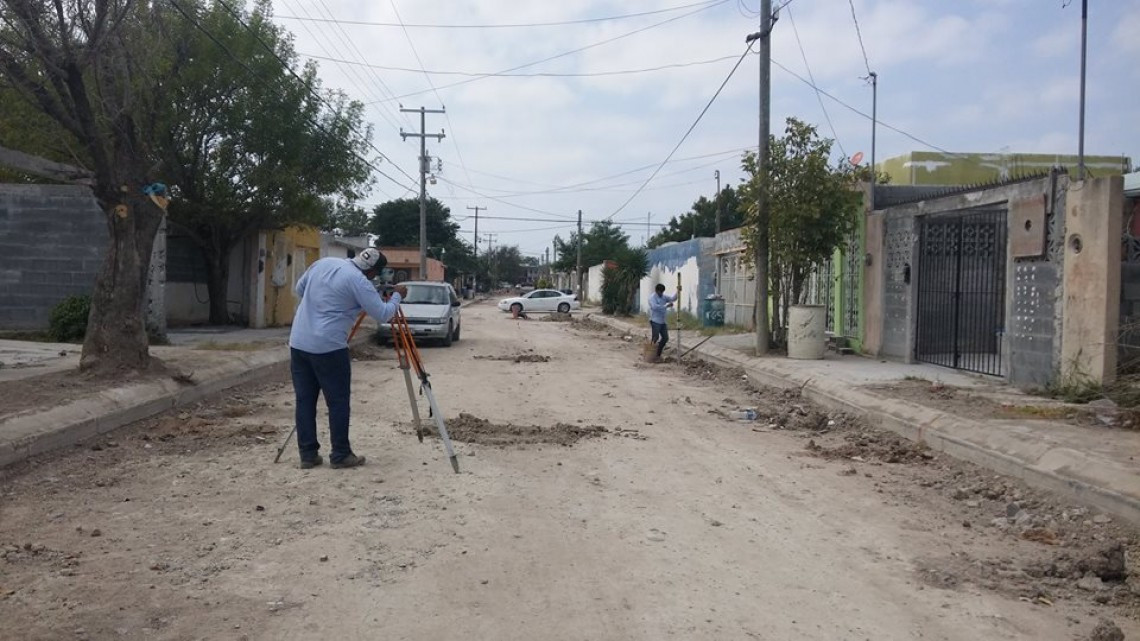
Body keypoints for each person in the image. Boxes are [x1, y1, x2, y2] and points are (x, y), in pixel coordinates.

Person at [288, 248, 407, 469]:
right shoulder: (358, 282)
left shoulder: (324, 263)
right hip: (329, 347)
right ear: (372, 272)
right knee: (338, 402)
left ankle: (308, 454)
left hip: (299, 342)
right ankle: (340, 454)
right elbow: (383, 314)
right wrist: (398, 294)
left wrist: (327, 302)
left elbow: (300, 289)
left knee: (304, 400)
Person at [648, 283, 679, 361]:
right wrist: (666, 306)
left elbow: (673, 298)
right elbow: (655, 307)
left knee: (665, 338)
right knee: (655, 337)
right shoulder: (652, 298)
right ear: (656, 291)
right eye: (660, 292)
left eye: (662, 292)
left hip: (662, 321)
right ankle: (650, 355)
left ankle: (658, 354)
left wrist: (678, 291)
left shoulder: (664, 297)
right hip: (655, 321)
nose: (661, 293)